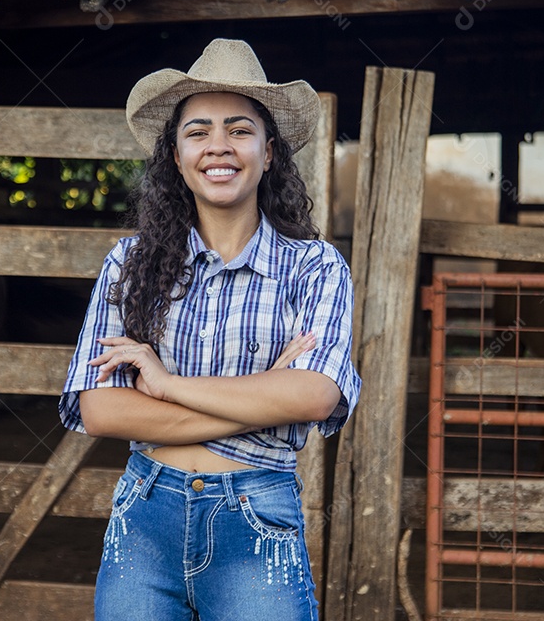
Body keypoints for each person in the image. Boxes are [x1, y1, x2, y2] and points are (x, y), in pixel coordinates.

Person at [60, 38, 361, 620]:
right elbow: (100, 409)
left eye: (239, 129)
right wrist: (265, 395)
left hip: (258, 519)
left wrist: (165, 384)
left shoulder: (314, 266)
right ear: (175, 156)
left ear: (269, 152)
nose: (217, 146)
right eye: (197, 132)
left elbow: (315, 394)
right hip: (145, 517)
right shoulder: (130, 263)